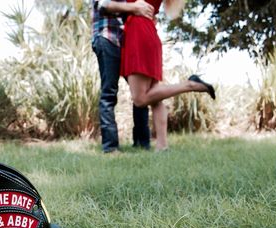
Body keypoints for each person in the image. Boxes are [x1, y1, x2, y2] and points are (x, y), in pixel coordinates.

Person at [121, 0, 216, 152]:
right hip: (149, 32)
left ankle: (190, 85)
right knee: (155, 96)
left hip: (138, 33)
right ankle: (162, 146)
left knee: (140, 100)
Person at [92, 0, 155, 153]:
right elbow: (104, 5)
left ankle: (142, 144)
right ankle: (111, 147)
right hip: (108, 38)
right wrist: (135, 8)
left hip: (129, 41)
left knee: (140, 92)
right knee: (109, 93)